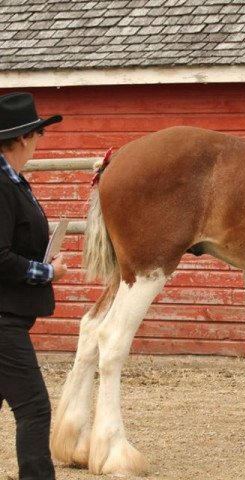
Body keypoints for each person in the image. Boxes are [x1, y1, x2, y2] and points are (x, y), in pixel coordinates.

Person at [0, 92, 67, 479]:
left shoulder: (14, 183)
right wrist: (49, 273)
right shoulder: (2, 187)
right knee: (35, 409)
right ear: (24, 137)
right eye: (38, 134)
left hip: (10, 317)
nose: (40, 141)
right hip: (2, 321)